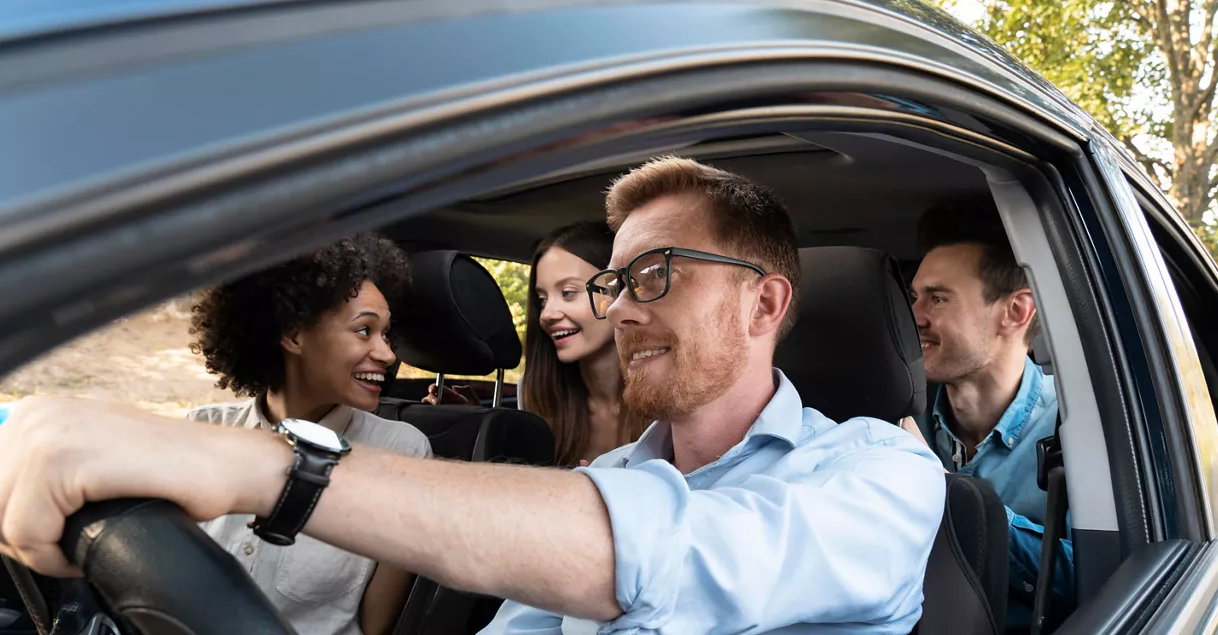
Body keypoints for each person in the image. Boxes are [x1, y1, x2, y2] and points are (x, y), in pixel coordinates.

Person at [0, 157, 945, 634]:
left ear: (764, 302)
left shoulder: (881, 470)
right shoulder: (605, 475)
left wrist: (262, 468)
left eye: (653, 276)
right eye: (612, 285)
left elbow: (673, 552)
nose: (620, 312)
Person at [186, 233, 430, 635]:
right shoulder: (203, 429)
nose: (388, 355)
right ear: (294, 335)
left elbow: (375, 630)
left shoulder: (402, 452)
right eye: (365, 331)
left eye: (386, 335)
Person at [903, 204, 1075, 631]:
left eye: (938, 298)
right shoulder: (893, 419)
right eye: (914, 297)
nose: (915, 316)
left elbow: (1088, 581)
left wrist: (941, 487)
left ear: (1015, 312)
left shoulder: (1079, 429)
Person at [429, 222, 646, 466]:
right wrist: (480, 425)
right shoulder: (536, 393)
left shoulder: (665, 396)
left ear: (620, 292)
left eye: (568, 293)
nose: (547, 314)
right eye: (542, 299)